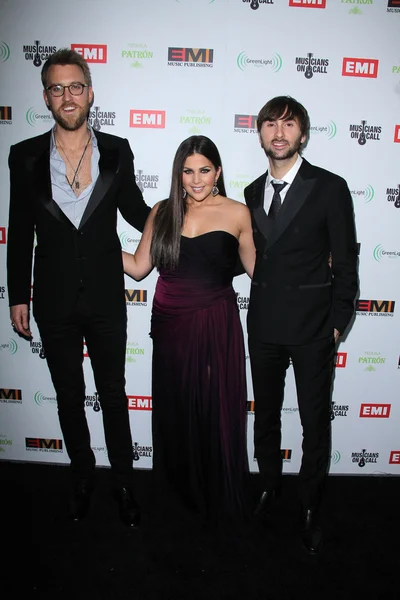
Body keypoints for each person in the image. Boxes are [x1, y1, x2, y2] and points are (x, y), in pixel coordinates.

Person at [7, 48, 151, 527]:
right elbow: (19, 228)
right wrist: (18, 295)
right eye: (56, 88)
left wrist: (186, 212)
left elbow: (136, 210)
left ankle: (126, 483)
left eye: (75, 87)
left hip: (108, 296)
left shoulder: (116, 150)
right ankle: (83, 475)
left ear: (90, 93)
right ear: (46, 98)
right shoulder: (24, 156)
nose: (67, 96)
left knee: (113, 392)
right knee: (68, 395)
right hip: (53, 299)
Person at [244, 96, 358, 553]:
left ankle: (310, 501)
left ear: (303, 134)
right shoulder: (252, 192)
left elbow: (346, 264)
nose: (278, 132)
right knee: (266, 416)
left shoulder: (329, 187)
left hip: (313, 329)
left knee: (314, 421)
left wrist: (337, 324)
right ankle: (269, 485)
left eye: (288, 124)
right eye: (270, 124)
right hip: (265, 326)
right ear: (260, 134)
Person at [122, 135, 256, 526]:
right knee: (176, 407)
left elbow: (259, 272)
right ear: (178, 173)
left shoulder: (237, 213)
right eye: (187, 171)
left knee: (214, 407)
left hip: (215, 322)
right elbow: (137, 266)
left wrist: (311, 267)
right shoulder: (162, 211)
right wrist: (89, 244)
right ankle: (178, 493)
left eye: (204, 170)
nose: (196, 180)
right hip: (170, 324)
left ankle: (215, 494)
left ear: (218, 172)